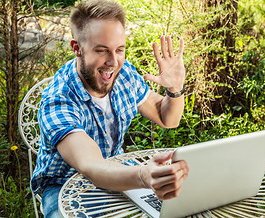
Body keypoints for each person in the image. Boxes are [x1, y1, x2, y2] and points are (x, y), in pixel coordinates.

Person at [31, 0, 189, 217]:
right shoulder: (58, 99)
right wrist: (143, 176)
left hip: (119, 171)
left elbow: (167, 118)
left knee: (178, 208)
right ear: (77, 48)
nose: (113, 62)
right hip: (62, 185)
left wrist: (175, 89)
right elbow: (91, 166)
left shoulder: (125, 75)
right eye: (102, 51)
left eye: (119, 50)